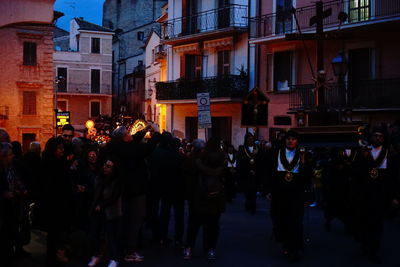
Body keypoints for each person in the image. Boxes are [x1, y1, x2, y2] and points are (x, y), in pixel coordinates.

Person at [351, 127, 400, 263]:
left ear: (384, 139)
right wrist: (364, 159)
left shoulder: (390, 155)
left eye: (380, 136)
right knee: (363, 221)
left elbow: (394, 177)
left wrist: (395, 196)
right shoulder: (363, 152)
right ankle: (364, 245)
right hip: (364, 194)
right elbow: (356, 173)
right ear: (371, 137)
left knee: (377, 224)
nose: (377, 138)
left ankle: (373, 250)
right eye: (375, 136)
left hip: (380, 195)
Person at [266, 130, 310, 262]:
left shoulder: (303, 155)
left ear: (297, 141)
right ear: (284, 140)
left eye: (293, 139)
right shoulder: (276, 153)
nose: (290, 141)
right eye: (288, 139)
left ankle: (295, 249)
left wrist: (303, 161)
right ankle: (285, 243)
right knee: (281, 219)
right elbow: (270, 173)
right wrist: (268, 190)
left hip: (296, 192)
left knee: (296, 221)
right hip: (280, 192)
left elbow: (307, 175)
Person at [183, 137, 226, 260]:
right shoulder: (221, 159)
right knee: (212, 225)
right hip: (215, 196)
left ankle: (189, 248)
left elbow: (188, 174)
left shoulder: (198, 160)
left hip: (199, 196)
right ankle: (210, 249)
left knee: (194, 224)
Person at [38, 137, 74, 267]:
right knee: (54, 234)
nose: (62, 150)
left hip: (58, 204)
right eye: (59, 148)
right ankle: (53, 258)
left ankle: (54, 257)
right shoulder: (52, 164)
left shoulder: (59, 162)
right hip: (54, 205)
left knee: (55, 234)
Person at [89, 158, 122, 267]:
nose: (105, 168)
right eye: (105, 165)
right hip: (98, 211)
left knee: (111, 235)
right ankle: (96, 255)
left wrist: (101, 205)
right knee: (95, 234)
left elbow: (114, 197)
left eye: (108, 166)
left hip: (110, 212)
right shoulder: (99, 178)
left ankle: (114, 258)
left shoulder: (116, 181)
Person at [0, 142, 27, 266]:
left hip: (12, 208)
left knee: (10, 236)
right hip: (3, 210)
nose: (12, 157)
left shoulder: (11, 167)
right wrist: (4, 193)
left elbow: (16, 181)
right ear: (3, 156)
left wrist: (20, 190)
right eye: (10, 155)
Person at [237, 133, 261, 214]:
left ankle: (253, 207)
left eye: (252, 138)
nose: (251, 140)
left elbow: (261, 161)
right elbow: (241, 161)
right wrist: (248, 170)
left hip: (255, 173)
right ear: (246, 140)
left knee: (253, 191)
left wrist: (255, 170)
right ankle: (248, 205)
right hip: (246, 173)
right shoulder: (242, 148)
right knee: (247, 191)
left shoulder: (258, 148)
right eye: (249, 139)